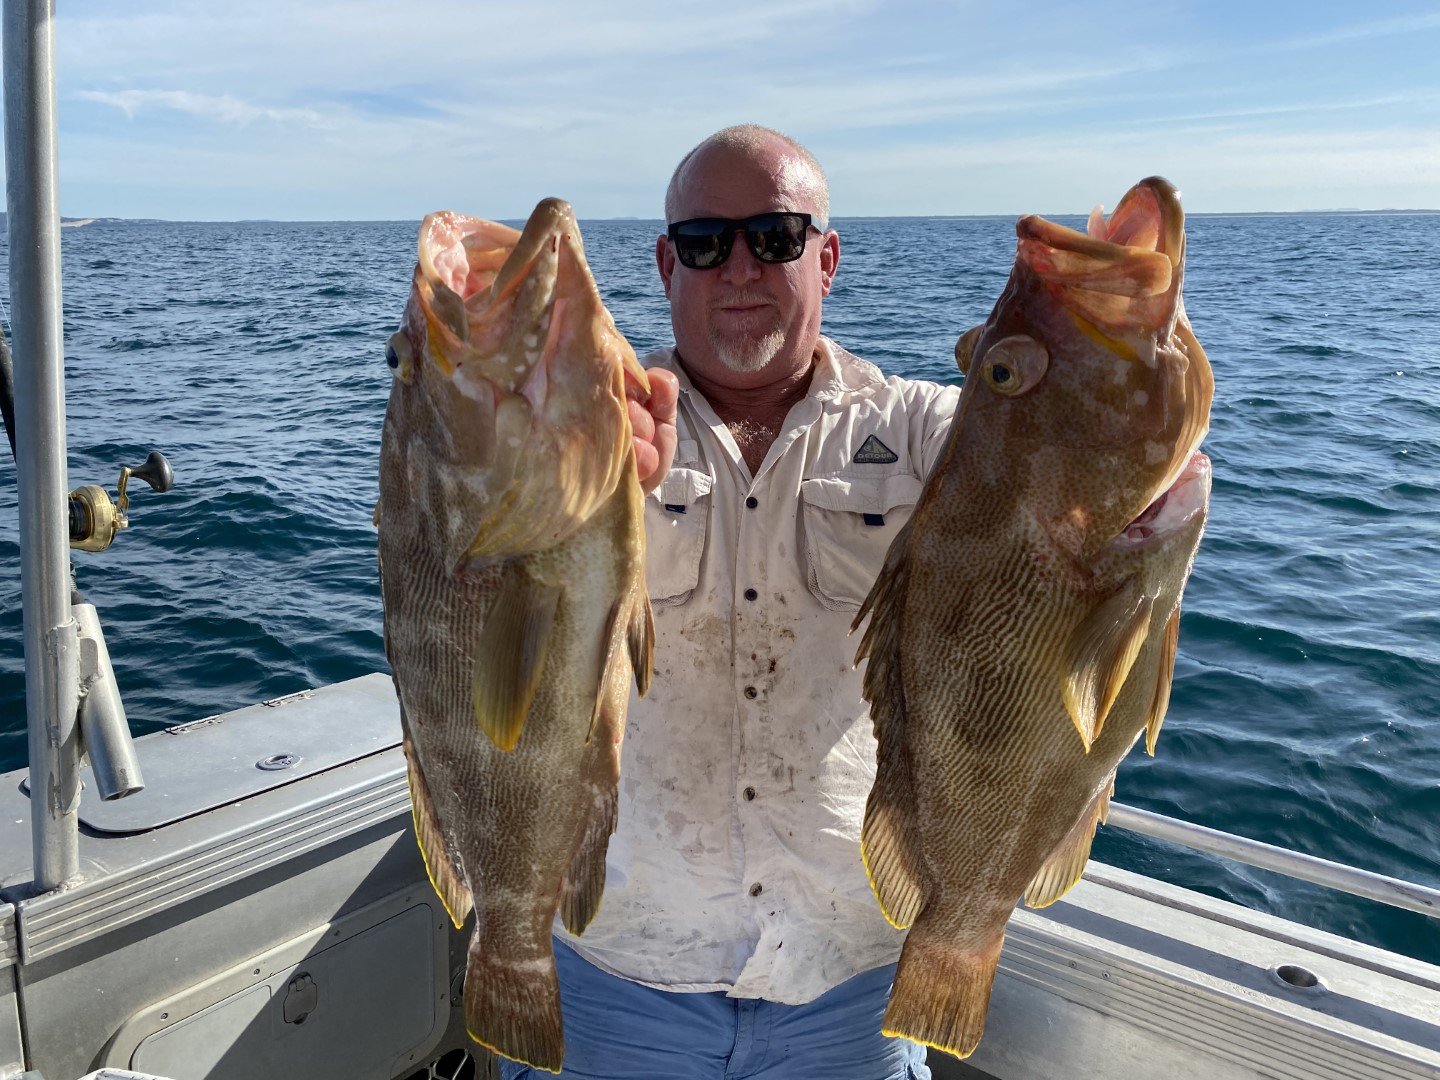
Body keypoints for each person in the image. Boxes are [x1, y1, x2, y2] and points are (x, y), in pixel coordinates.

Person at [501, 125, 960, 1080]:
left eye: (776, 236)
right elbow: (479, 591)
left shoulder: (920, 429)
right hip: (617, 962)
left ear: (826, 258)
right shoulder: (591, 430)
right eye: (706, 241)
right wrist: (571, 480)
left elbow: (1080, 483)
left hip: (849, 974)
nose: (741, 266)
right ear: (668, 264)